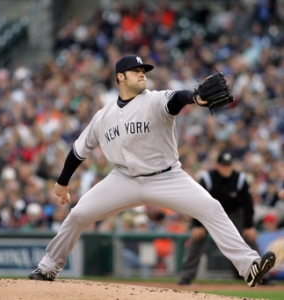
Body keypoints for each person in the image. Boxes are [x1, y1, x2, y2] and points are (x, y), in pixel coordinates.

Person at [28, 54, 276, 287]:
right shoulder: (103, 116)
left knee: (211, 208)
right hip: (122, 179)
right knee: (79, 214)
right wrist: (62, 182)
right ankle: (48, 267)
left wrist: (195, 98)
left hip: (167, 177)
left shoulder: (155, 99)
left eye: (143, 70)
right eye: (135, 71)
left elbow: (177, 98)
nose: (142, 74)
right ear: (120, 78)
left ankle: (249, 266)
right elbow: (78, 151)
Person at [178, 151, 271, 285]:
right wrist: (197, 225)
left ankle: (262, 275)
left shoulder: (239, 179)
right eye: (223, 165)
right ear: (217, 165)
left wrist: (249, 226)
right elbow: (196, 201)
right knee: (196, 237)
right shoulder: (208, 179)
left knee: (249, 236)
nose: (226, 168)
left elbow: (247, 203)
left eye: (228, 165)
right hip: (208, 213)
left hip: (233, 214)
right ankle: (186, 276)